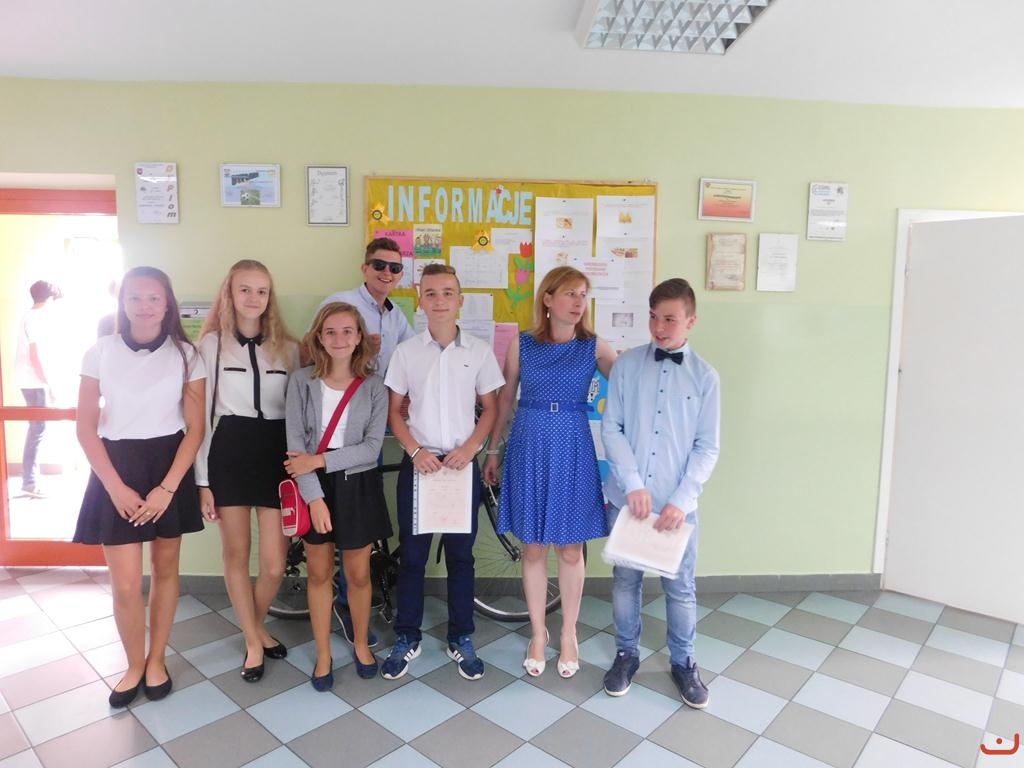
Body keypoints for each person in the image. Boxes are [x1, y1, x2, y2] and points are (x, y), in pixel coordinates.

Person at [73, 266, 206, 708]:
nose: (144, 306)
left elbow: (195, 428)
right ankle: (133, 664)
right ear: (122, 302)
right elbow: (85, 428)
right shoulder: (99, 352)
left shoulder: (187, 355)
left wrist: (167, 488)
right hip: (116, 468)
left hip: (169, 466)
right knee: (127, 585)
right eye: (135, 297)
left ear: (167, 304)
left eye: (153, 298)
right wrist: (114, 487)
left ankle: (157, 661)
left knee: (166, 572)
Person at [483, 266, 616, 678]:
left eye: (583, 295)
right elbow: (506, 400)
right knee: (534, 548)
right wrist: (493, 450)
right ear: (548, 298)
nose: (578, 302)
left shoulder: (593, 345)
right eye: (570, 293)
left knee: (571, 549)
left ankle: (569, 632)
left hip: (573, 445)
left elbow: (631, 380)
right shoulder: (522, 344)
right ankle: (538, 633)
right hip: (529, 444)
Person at [600, 278, 720, 707]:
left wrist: (682, 501)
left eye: (669, 319)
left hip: (676, 505)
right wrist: (632, 484)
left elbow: (707, 446)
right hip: (628, 500)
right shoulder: (627, 366)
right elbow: (612, 427)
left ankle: (684, 662)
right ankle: (625, 654)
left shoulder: (706, 377)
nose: (659, 327)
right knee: (625, 582)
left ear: (691, 321)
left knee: (680, 586)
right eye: (653, 317)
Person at [381, 264, 504, 680]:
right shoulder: (406, 353)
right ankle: (406, 636)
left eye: (448, 293)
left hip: (460, 466)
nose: (439, 301)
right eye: (431, 293)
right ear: (420, 300)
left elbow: (492, 408)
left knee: (461, 557)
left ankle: (461, 636)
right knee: (412, 557)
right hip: (420, 464)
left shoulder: (478, 351)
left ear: (460, 300)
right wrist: (414, 450)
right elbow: (394, 412)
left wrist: (471, 449)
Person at [196, 260, 299, 683]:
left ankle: (252, 628)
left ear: (269, 297)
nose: (253, 298)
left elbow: (301, 411)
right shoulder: (211, 345)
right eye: (245, 289)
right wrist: (203, 481)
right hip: (230, 450)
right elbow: (200, 420)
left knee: (274, 564)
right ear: (230, 293)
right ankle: (255, 642)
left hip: (276, 452)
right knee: (236, 554)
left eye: (261, 290)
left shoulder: (289, 348)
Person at [285, 302, 393, 690]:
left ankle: (361, 644)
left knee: (358, 574)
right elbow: (295, 449)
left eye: (348, 331)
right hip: (314, 487)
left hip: (358, 485)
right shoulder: (301, 382)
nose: (339, 339)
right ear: (319, 337)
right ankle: (323, 654)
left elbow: (371, 448)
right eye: (330, 331)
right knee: (318, 574)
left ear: (360, 336)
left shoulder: (374, 386)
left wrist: (319, 461)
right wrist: (314, 498)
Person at [317, 237, 414, 644]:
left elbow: (413, 360)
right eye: (379, 265)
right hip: (342, 426)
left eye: (395, 268)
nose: (386, 273)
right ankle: (344, 602)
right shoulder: (341, 302)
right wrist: (362, 351)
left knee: (362, 515)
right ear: (365, 268)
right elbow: (314, 356)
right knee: (348, 521)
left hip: (377, 417)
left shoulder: (396, 315)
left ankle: (359, 593)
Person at [13, 280, 62, 498]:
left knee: (36, 429)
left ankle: (30, 480)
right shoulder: (36, 318)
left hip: (29, 379)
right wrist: (48, 384)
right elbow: (35, 356)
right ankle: (30, 482)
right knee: (37, 430)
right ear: (49, 298)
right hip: (33, 381)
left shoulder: (29, 316)